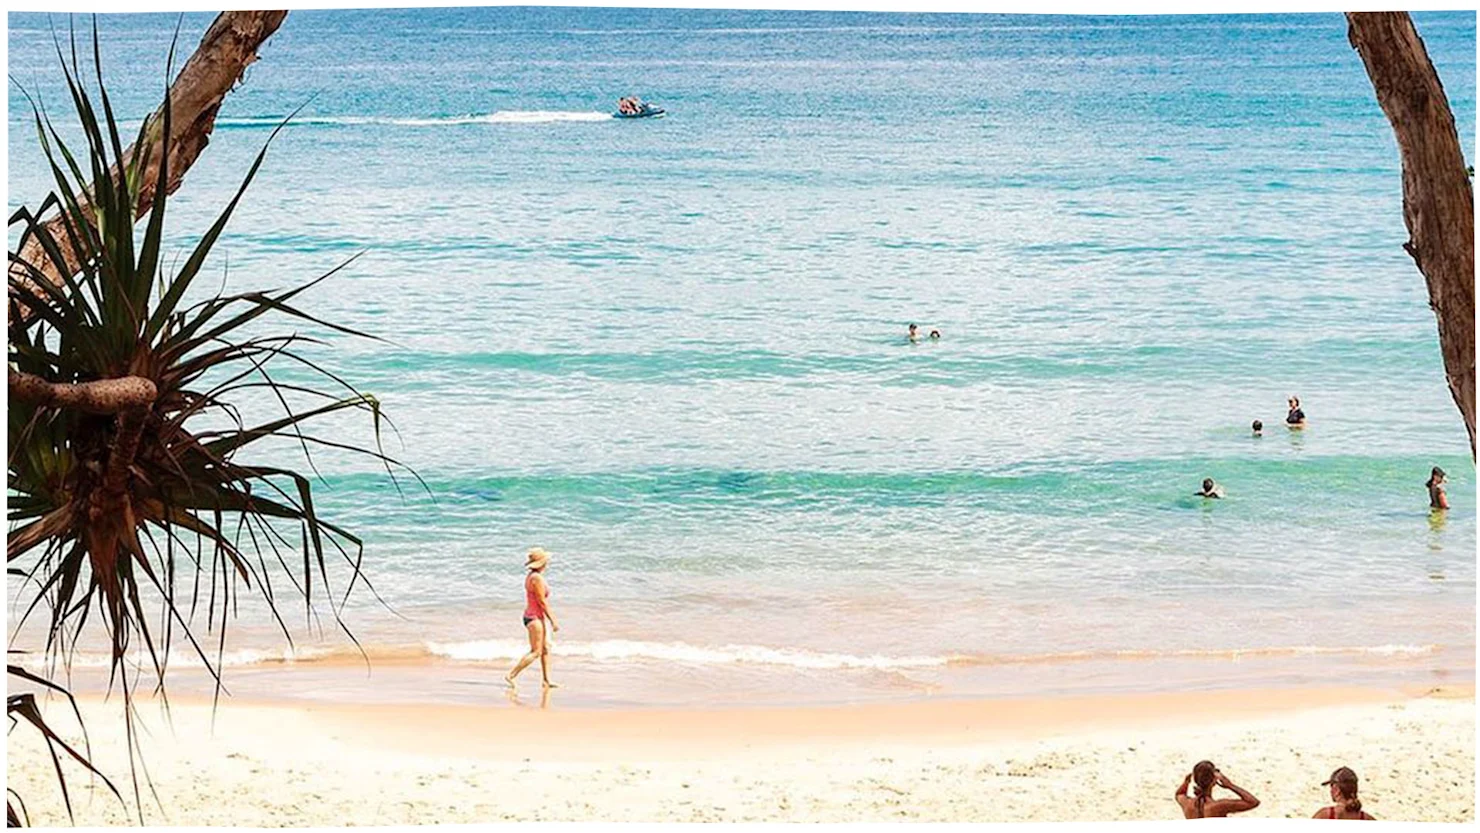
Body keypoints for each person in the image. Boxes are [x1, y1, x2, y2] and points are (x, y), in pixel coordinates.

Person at [505, 547, 560, 689]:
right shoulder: (536, 579)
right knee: (536, 651)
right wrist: (553, 620)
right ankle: (511, 675)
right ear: (542, 563)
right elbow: (542, 602)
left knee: (545, 648)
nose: (547, 564)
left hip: (534, 616)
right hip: (534, 618)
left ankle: (546, 681)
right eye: (546, 562)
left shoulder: (532, 576)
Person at [1175, 761, 1260, 819]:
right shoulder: (1219, 806)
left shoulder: (1187, 803)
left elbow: (1179, 794)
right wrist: (1230, 785)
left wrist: (1186, 782)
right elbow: (1253, 802)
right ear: (1214, 781)